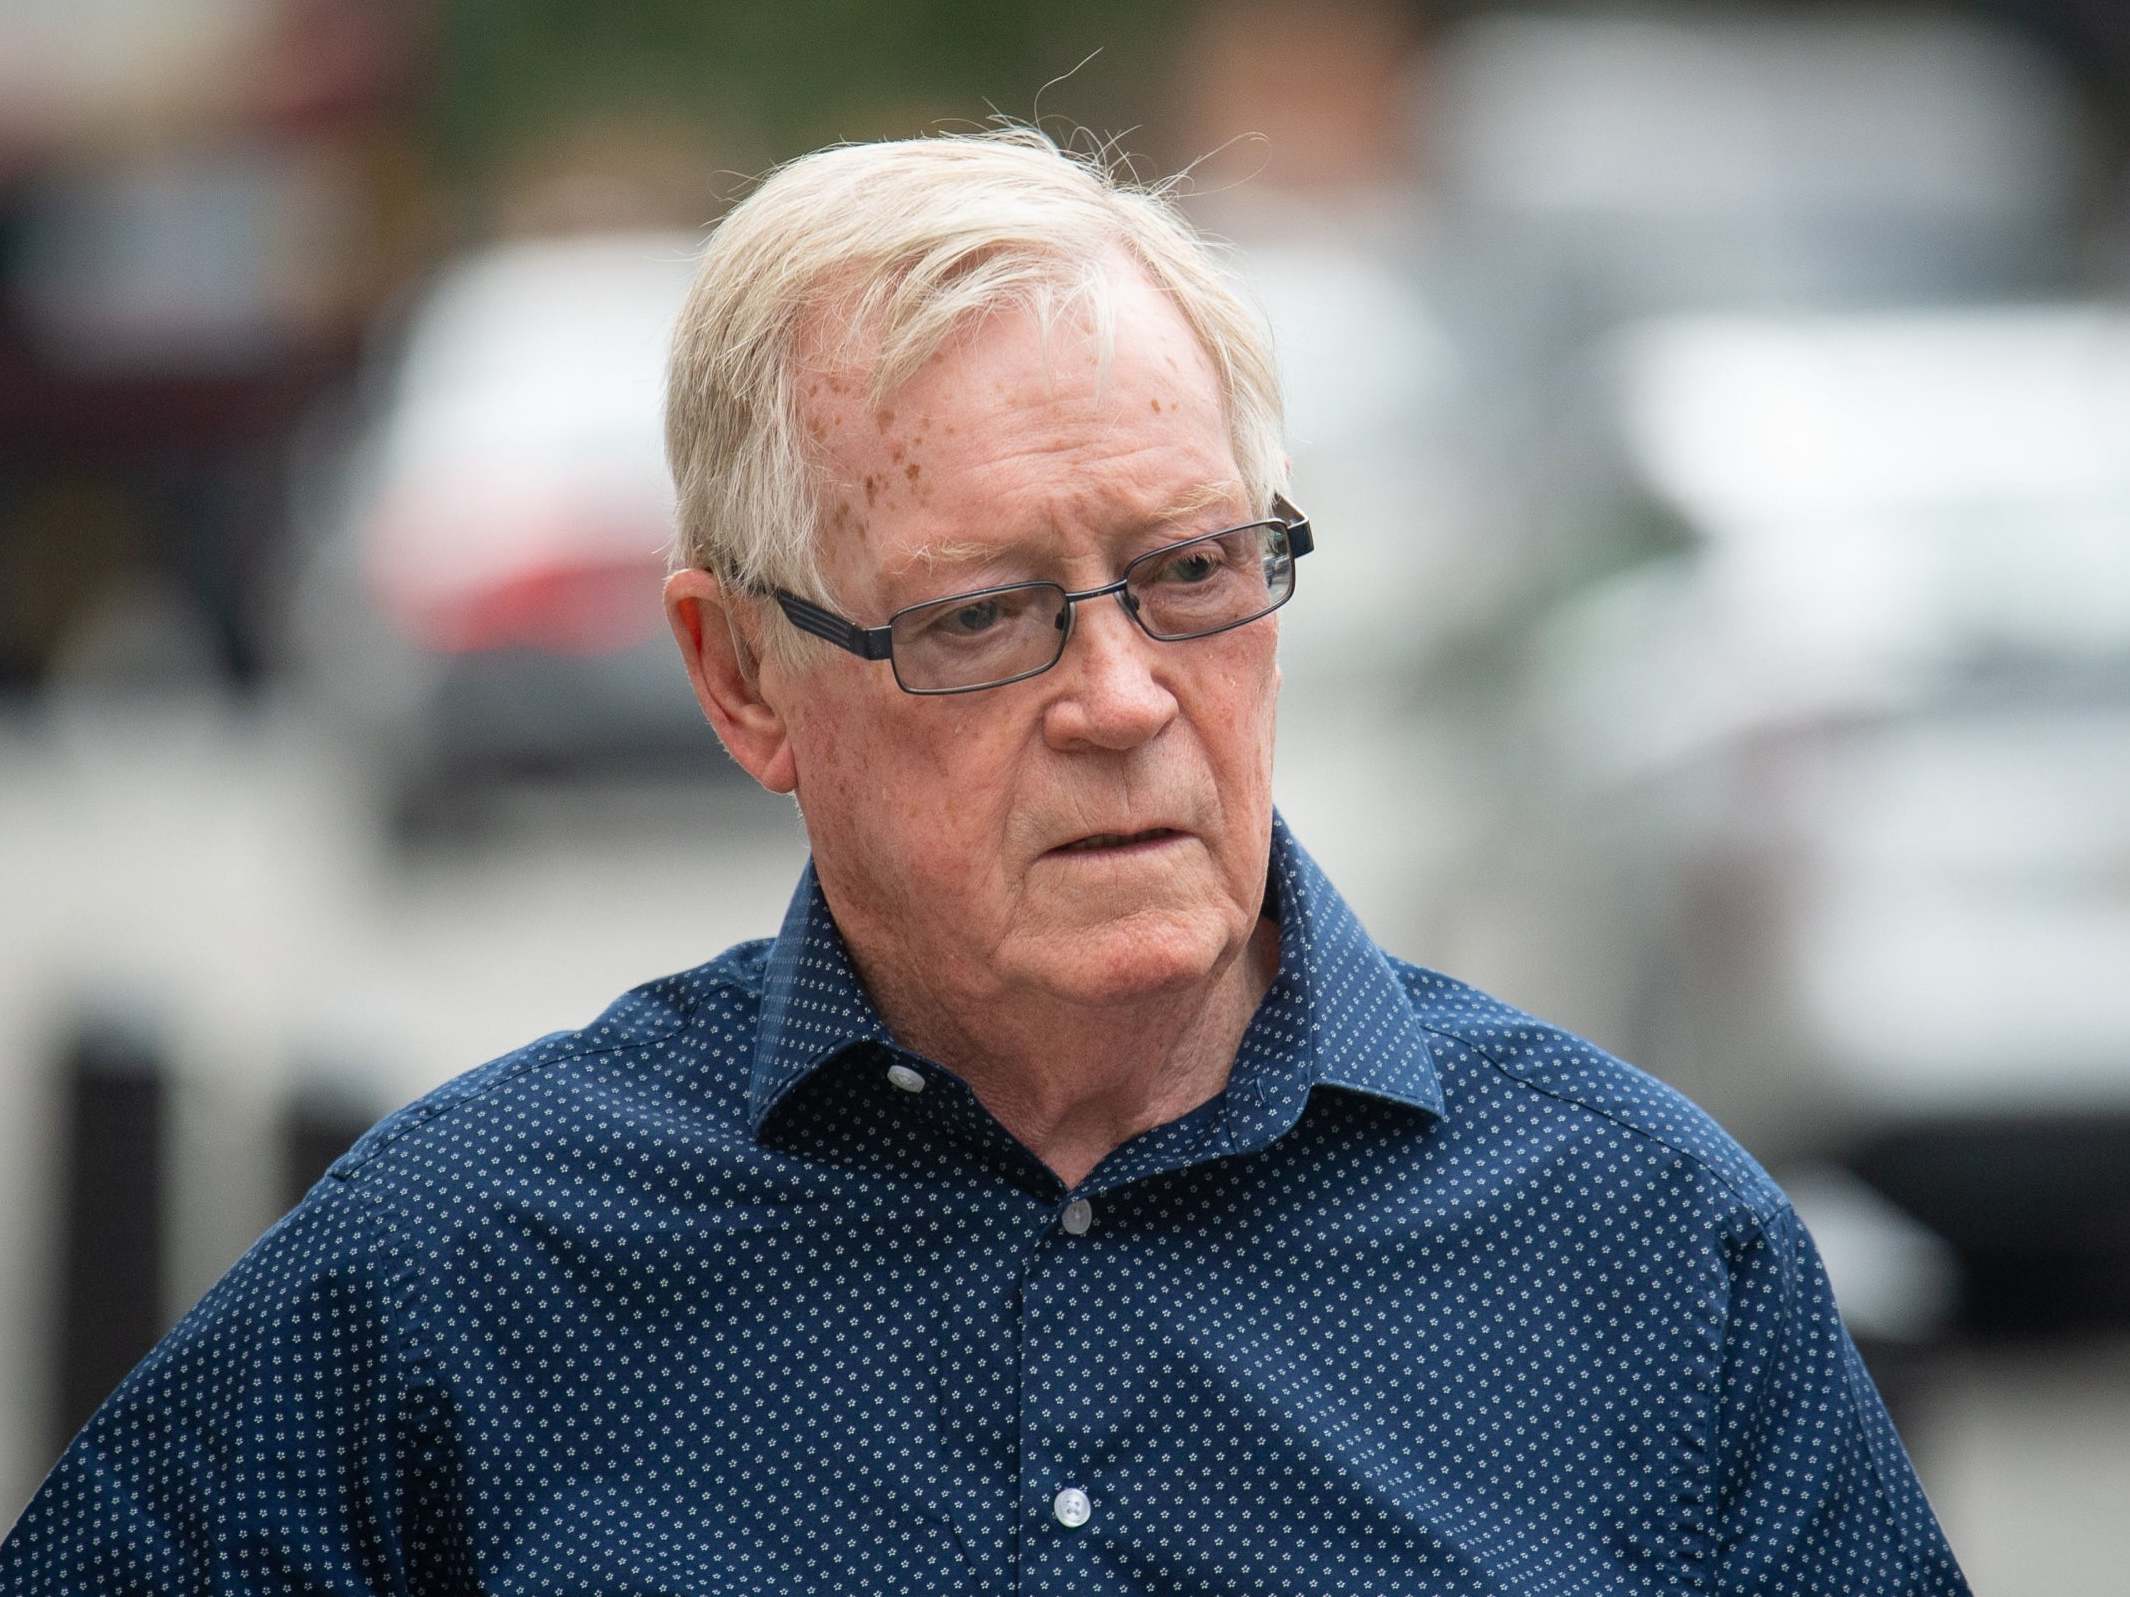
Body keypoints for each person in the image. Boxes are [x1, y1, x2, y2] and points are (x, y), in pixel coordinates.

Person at [0, 128, 1969, 1595]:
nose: (1122, 697)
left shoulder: (1642, 1255)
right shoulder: (467, 1274)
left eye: (1193, 572)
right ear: (742, 673)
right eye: (982, 617)